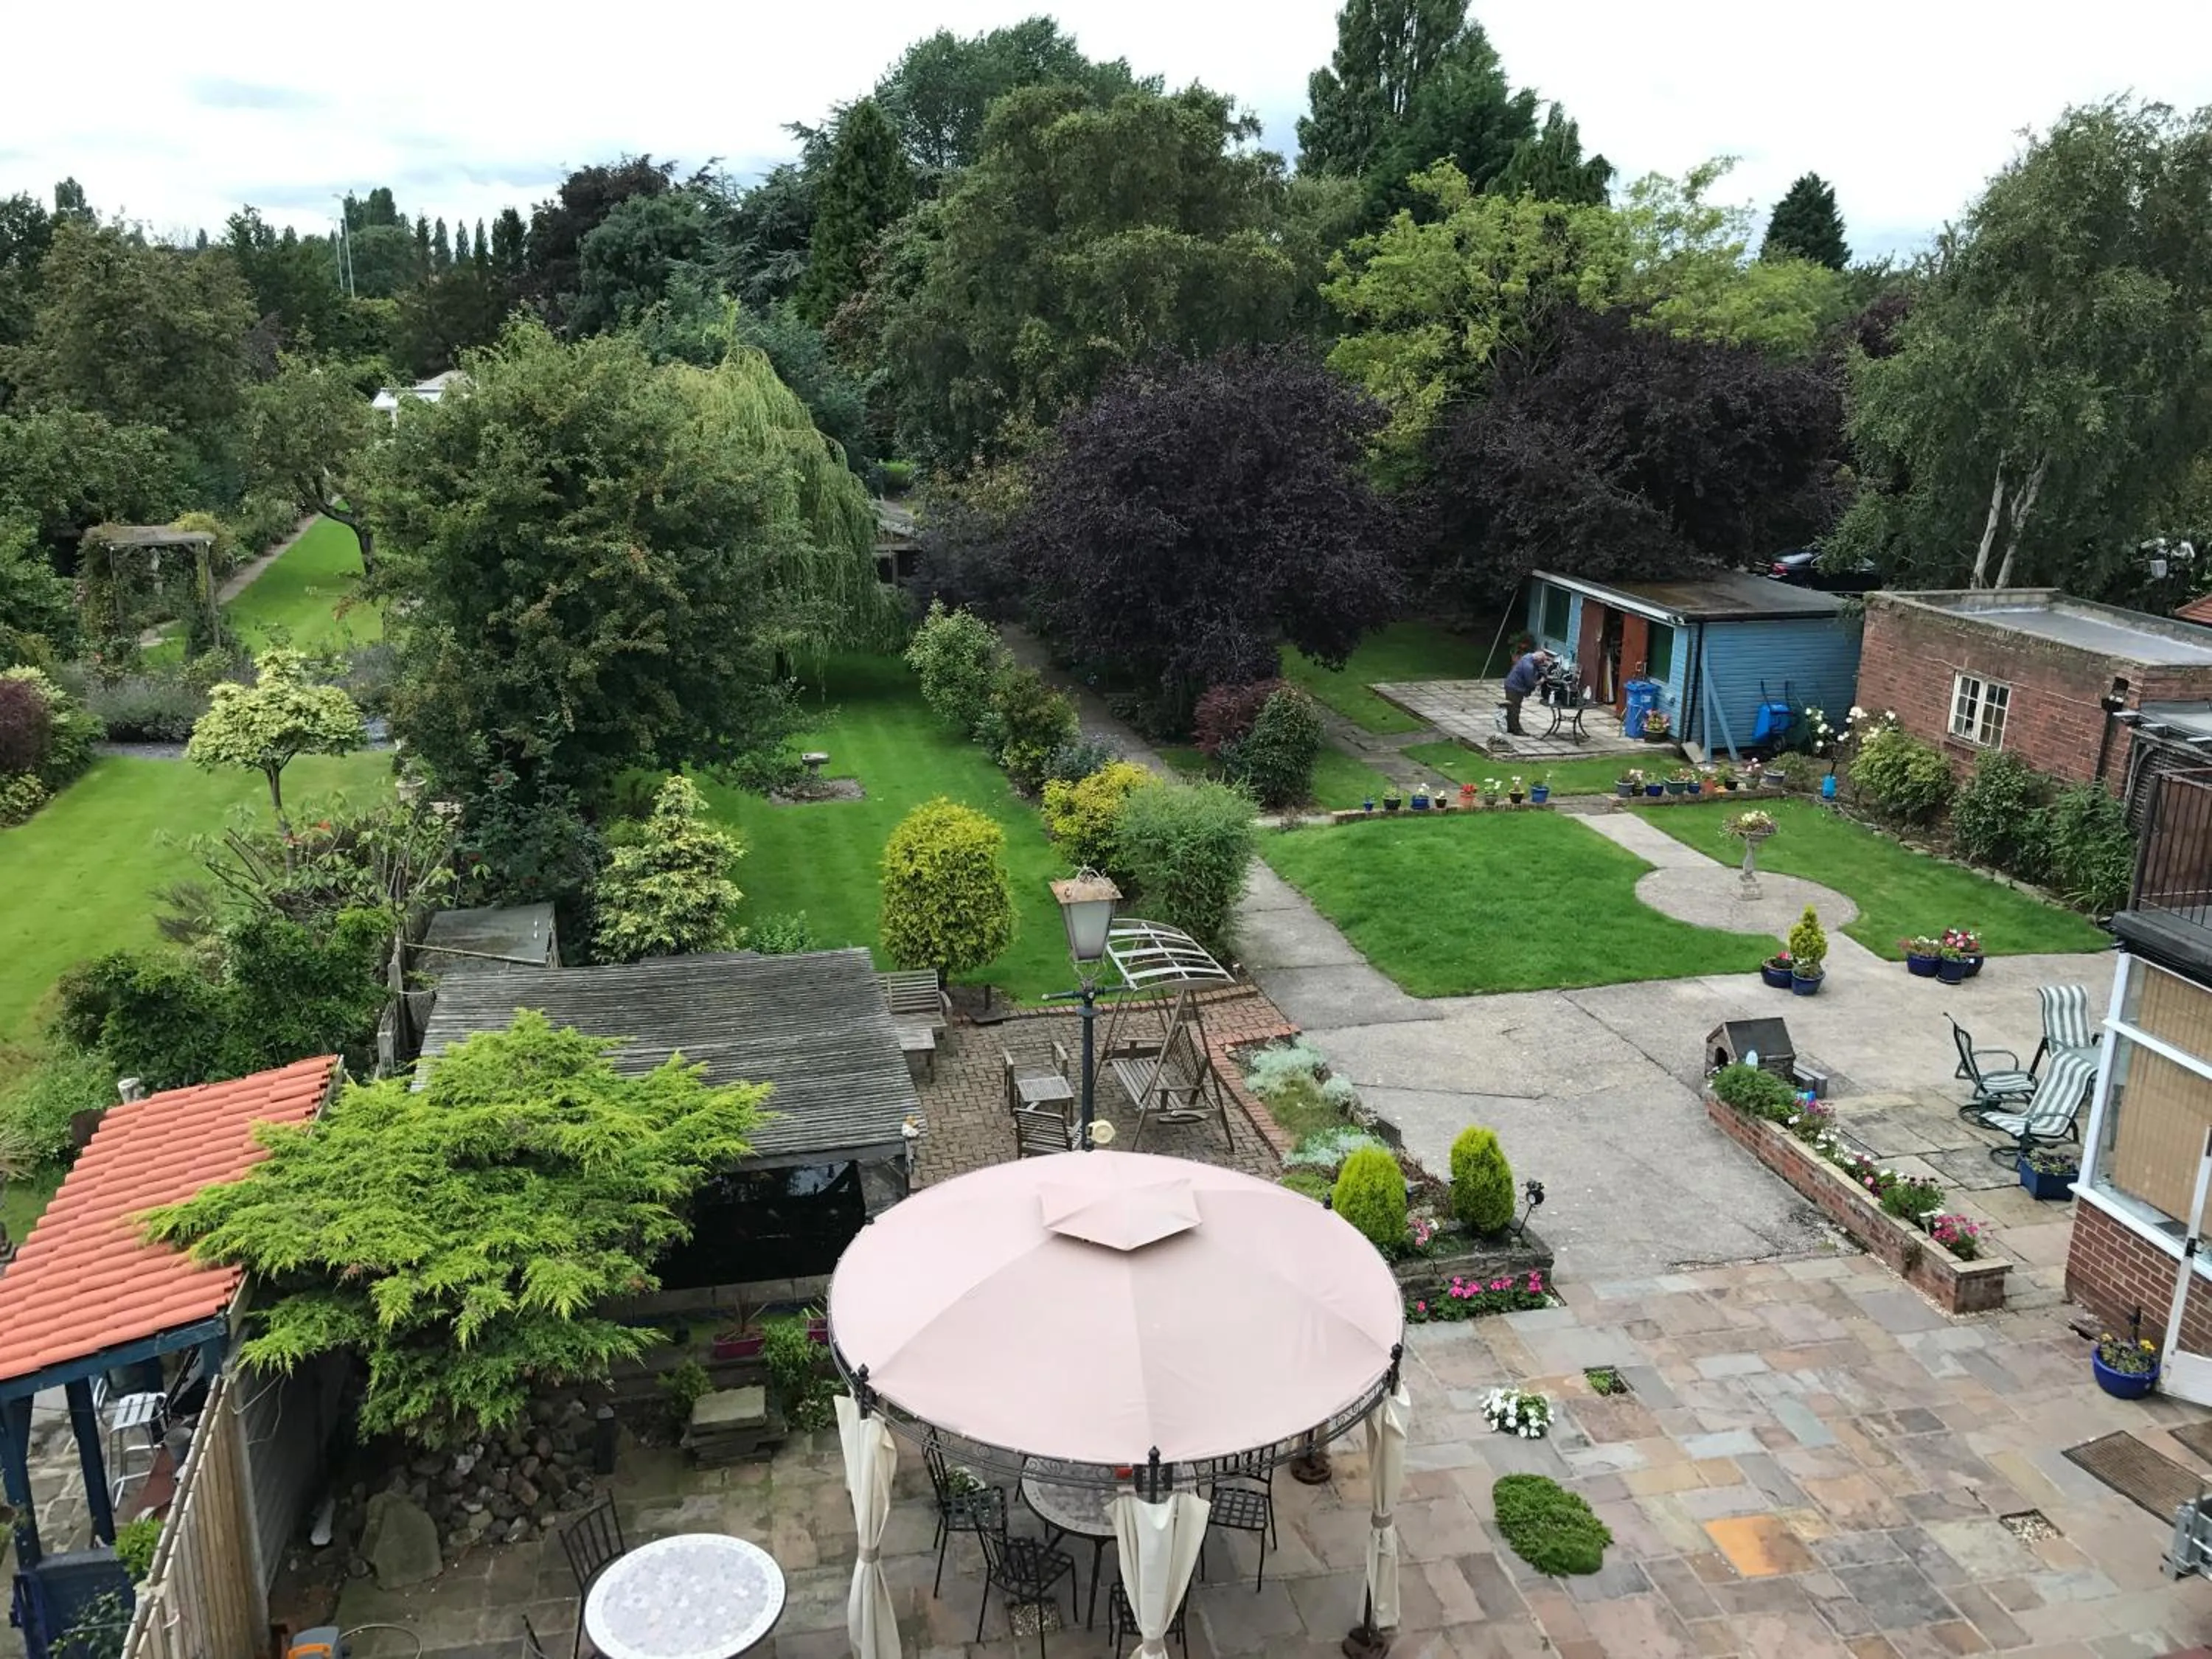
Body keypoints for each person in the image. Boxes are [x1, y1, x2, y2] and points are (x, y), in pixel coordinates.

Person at [1502, 648, 1552, 735]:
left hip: (1511, 684)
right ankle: (1517, 730)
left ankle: (1510, 727)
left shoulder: (1528, 656)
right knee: (1515, 709)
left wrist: (1544, 672)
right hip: (1514, 687)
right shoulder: (1528, 666)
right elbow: (1530, 683)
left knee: (1511, 707)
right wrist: (1541, 682)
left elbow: (1538, 666)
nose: (1541, 664)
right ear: (1538, 660)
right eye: (1541, 662)